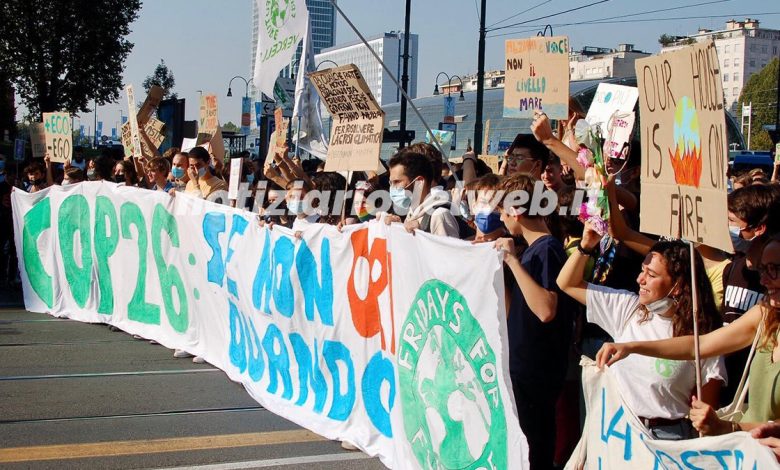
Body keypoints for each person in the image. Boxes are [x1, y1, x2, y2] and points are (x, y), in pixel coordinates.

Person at [597, 235, 780, 437]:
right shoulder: (763, 314)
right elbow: (697, 346)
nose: (763, 280)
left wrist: (728, 427)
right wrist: (631, 347)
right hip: (752, 454)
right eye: (763, 269)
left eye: (774, 270)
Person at [558, 225, 726, 440]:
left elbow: (706, 412)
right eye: (642, 271)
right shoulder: (629, 308)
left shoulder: (705, 335)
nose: (640, 279)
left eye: (652, 275)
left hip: (668, 440)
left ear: (679, 284)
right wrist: (585, 246)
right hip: (616, 432)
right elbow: (567, 284)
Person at [493, 173, 575, 469]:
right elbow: (517, 308)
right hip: (523, 367)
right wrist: (503, 270)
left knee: (534, 451)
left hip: (537, 373)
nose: (503, 221)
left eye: (503, 212)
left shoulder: (548, 249)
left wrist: (513, 262)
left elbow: (545, 309)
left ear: (515, 210)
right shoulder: (530, 251)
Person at [387, 151, 459, 238]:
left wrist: (421, 234)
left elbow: (448, 250)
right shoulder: (412, 211)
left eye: (397, 182)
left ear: (419, 182)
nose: (392, 188)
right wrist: (398, 227)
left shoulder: (440, 215)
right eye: (391, 183)